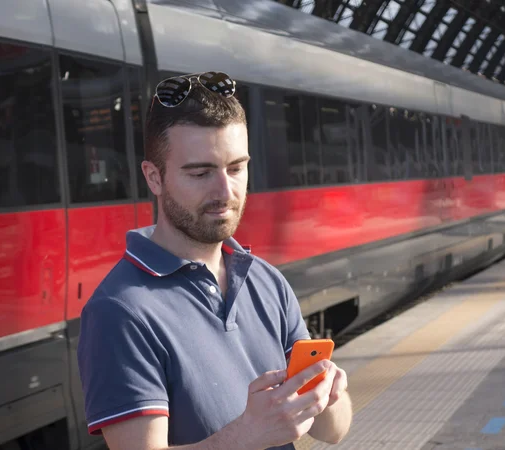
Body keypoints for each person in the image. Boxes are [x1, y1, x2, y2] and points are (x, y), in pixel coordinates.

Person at [77, 72, 353, 450]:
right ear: (154, 177)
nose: (226, 192)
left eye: (236, 168)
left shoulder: (266, 281)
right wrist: (247, 434)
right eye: (201, 172)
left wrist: (330, 395)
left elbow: (332, 432)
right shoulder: (120, 310)